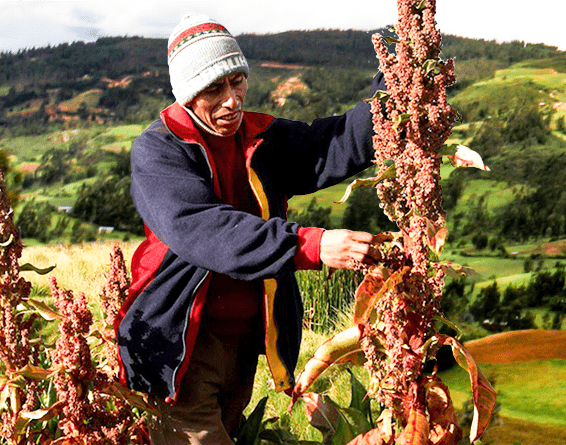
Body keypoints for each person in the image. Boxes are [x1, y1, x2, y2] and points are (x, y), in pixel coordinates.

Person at [114, 13, 387, 445]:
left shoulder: (261, 136)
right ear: (186, 94)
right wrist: (311, 245)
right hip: (180, 342)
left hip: (240, 343)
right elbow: (205, 230)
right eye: (214, 89)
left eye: (237, 81)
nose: (231, 100)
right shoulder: (158, 151)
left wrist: (392, 91)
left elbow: (329, 145)